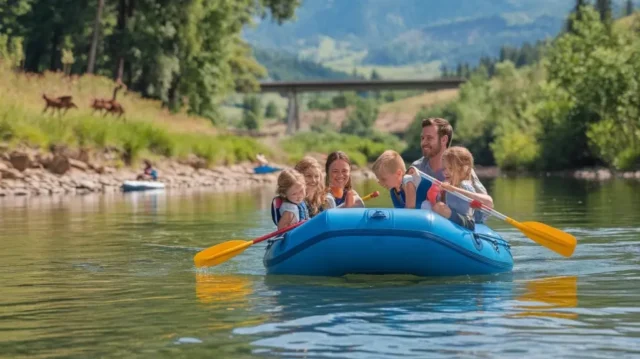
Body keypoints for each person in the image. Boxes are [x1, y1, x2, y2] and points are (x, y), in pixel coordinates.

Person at [412, 117, 493, 222]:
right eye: (422, 138)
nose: (424, 143)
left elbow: (486, 206)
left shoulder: (462, 169)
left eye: (429, 138)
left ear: (444, 139)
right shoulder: (417, 168)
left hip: (460, 222)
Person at [431, 146, 485, 231]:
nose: (446, 172)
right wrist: (441, 193)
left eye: (451, 168)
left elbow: (466, 209)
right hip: (454, 217)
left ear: (463, 169)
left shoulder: (465, 186)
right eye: (444, 168)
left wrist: (453, 191)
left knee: (441, 208)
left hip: (466, 221)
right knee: (438, 206)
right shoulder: (448, 185)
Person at [372, 150, 439, 209]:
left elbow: (410, 209)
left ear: (398, 174)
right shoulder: (393, 191)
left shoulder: (408, 180)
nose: (381, 183)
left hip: (434, 207)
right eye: (379, 180)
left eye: (383, 179)